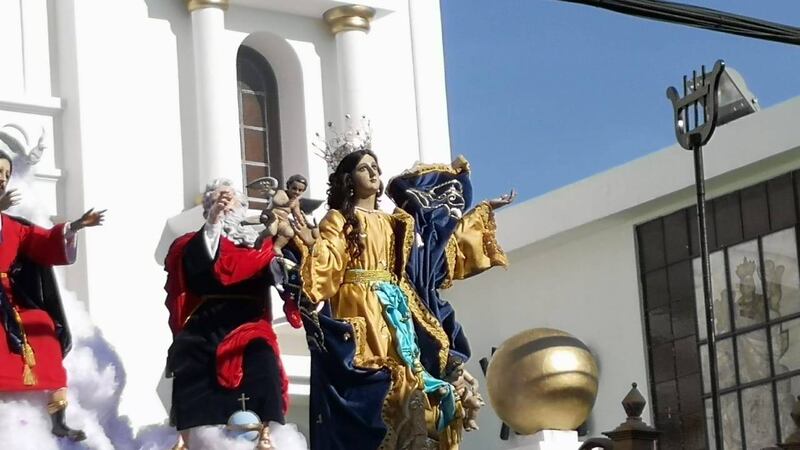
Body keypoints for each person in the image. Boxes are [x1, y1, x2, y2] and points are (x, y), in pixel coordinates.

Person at [291, 149, 512, 450]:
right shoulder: (339, 219)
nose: (373, 173)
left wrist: (481, 212)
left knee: (413, 380)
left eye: (375, 168)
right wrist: (307, 274)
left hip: (397, 310)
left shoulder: (397, 223)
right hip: (358, 307)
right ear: (349, 179)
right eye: (363, 168)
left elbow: (433, 246)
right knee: (382, 385)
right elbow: (327, 263)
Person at [164, 179, 288, 450]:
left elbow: (277, 274)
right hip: (207, 322)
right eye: (219, 198)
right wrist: (213, 224)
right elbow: (197, 271)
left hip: (249, 322)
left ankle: (264, 434)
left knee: (262, 358)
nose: (226, 202)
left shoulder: (260, 242)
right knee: (189, 358)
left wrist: (280, 266)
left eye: (231, 198)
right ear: (208, 207)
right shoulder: (192, 243)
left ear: (243, 207)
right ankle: (188, 437)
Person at [0, 149, 105, 441]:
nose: (2, 179)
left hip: (7, 295)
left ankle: (58, 417)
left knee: (43, 326)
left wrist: (75, 227)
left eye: (6, 174)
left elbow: (43, 242)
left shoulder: (12, 226)